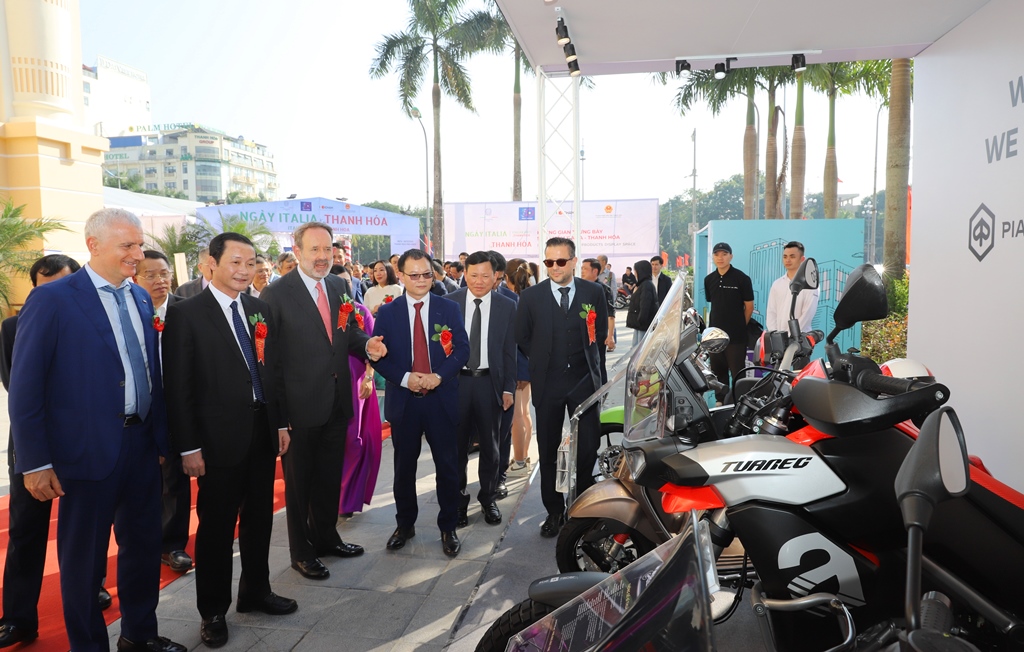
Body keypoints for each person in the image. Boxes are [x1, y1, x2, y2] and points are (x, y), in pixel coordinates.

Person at [9, 208, 185, 652]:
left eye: (139, 244)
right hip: (84, 454)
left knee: (143, 549)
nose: (138, 254)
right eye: (127, 245)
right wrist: (35, 462)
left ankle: (139, 635)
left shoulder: (140, 297)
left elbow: (151, 373)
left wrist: (160, 438)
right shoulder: (52, 300)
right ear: (93, 245)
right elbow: (26, 388)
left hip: (141, 446)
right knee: (84, 564)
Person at [162, 233, 297, 648]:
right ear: (211, 264)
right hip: (215, 441)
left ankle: (255, 591)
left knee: (259, 519)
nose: (244, 270)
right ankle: (213, 611)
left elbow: (272, 370)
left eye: (250, 262)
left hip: (261, 431)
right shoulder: (186, 314)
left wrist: (280, 423)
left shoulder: (259, 309)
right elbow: (178, 387)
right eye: (235, 262)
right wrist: (188, 447)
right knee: (217, 530)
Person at [260, 222, 386, 581]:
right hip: (298, 409)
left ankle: (327, 537)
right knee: (300, 485)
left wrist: (367, 344)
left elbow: (348, 333)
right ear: (297, 251)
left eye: (327, 249)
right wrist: (280, 418)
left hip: (336, 401)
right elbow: (269, 361)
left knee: (330, 477)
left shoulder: (339, 286)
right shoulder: (275, 294)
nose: (321, 256)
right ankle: (301, 552)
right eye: (314, 249)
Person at [0, 255, 111, 648]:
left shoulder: (94, 319)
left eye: (61, 284)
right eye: (42, 288)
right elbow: (18, 385)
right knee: (26, 530)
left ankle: (92, 587)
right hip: (33, 444)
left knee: (87, 528)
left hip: (84, 440)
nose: (51, 295)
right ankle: (18, 617)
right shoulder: (11, 327)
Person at [371, 249, 469, 557]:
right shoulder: (388, 313)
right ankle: (405, 525)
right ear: (400, 275)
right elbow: (377, 357)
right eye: (413, 275)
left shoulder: (448, 308)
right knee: (404, 469)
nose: (421, 280)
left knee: (448, 468)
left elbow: (462, 350)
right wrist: (404, 378)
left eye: (427, 274)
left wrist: (439, 376)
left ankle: (448, 527)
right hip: (405, 401)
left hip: (441, 400)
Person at [515, 238, 607, 538]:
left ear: (574, 261)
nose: (554, 267)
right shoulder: (531, 297)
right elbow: (522, 337)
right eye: (549, 262)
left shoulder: (594, 292)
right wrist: (543, 359)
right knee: (549, 449)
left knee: (588, 448)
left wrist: (598, 377)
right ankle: (553, 511)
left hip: (585, 383)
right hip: (548, 384)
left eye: (561, 261)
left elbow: (600, 335)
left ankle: (582, 507)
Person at [133, 251, 193, 576]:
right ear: (135, 278)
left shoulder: (187, 311)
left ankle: (173, 545)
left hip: (175, 406)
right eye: (151, 275)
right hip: (138, 409)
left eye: (164, 273)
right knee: (140, 481)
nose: (160, 281)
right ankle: (142, 542)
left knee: (175, 477)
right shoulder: (128, 310)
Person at [448, 252, 517, 528]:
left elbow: (510, 351)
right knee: (456, 448)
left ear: (495, 276)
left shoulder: (507, 305)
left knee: (491, 447)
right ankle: (457, 502)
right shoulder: (449, 303)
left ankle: (488, 498)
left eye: (485, 275)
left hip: (490, 384)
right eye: (474, 275)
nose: (479, 281)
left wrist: (509, 388)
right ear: (464, 273)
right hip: (456, 383)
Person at [338, 302, 382, 518]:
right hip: (329, 378)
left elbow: (372, 346)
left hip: (357, 378)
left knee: (353, 438)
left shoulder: (360, 311)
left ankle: (347, 499)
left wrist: (369, 377)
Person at [703, 242, 754, 403]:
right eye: (717, 254)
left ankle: (740, 403)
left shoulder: (742, 278)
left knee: (738, 372)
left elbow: (749, 307)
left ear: (731, 256)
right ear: (713, 257)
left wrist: (740, 326)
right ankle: (720, 402)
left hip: (736, 337)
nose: (720, 258)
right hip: (715, 336)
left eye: (724, 254)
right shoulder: (709, 279)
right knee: (718, 371)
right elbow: (712, 302)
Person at [503, 259, 533, 477]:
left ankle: (520, 461)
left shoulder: (510, 300)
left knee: (517, 416)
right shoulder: (529, 297)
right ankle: (523, 457)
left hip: (517, 362)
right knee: (524, 412)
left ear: (505, 277)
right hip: (528, 362)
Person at [765, 241, 820, 332]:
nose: (788, 260)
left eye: (792, 256)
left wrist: (792, 335)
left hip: (801, 337)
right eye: (785, 257)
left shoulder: (810, 285)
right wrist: (774, 333)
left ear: (802, 259)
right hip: (777, 337)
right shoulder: (777, 284)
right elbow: (771, 312)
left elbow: (807, 315)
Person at [581, 258, 617, 383]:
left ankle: (601, 391)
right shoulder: (578, 288)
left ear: (595, 271)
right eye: (582, 268)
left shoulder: (603, 289)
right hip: (581, 335)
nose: (582, 271)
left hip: (598, 335)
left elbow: (611, 314)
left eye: (585, 269)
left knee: (599, 364)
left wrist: (610, 336)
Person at [626, 259, 659, 347]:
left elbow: (645, 305)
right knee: (636, 348)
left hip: (643, 325)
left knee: (640, 348)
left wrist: (640, 320)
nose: (634, 273)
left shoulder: (646, 285)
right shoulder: (642, 284)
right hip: (639, 324)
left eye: (635, 271)